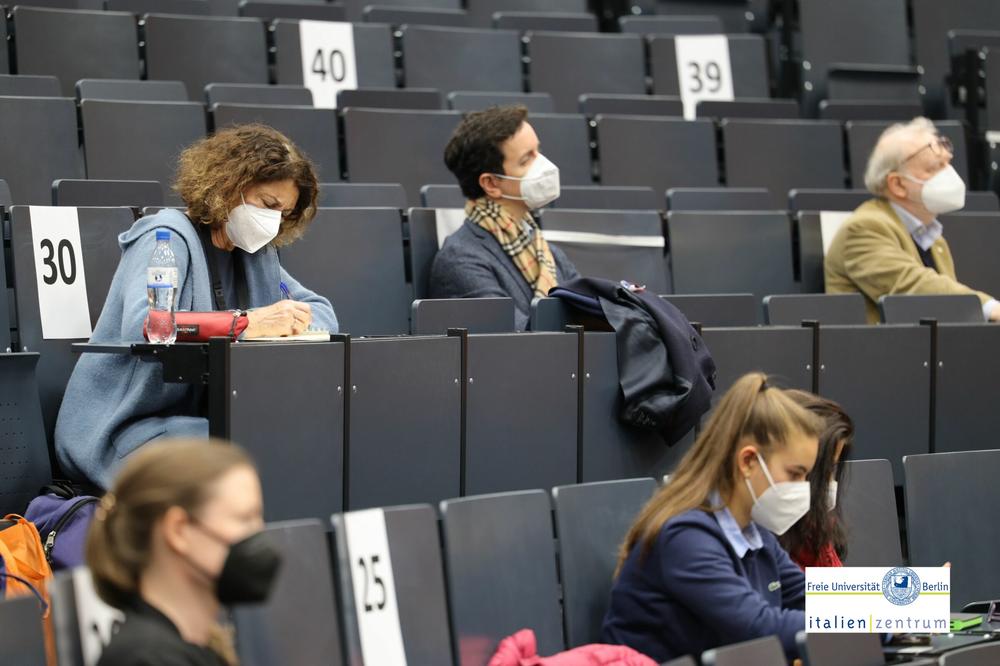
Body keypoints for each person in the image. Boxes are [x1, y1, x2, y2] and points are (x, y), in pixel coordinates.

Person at [55, 124, 338, 489]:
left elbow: (320, 311)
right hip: (117, 431)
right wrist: (245, 324)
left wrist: (290, 321)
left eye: (283, 214)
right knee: (251, 454)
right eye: (269, 205)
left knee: (293, 439)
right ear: (230, 185)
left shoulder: (254, 255)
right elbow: (148, 323)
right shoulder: (164, 237)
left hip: (197, 422)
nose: (273, 222)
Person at [602, 373, 823, 662]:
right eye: (795, 474)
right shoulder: (685, 538)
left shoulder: (754, 533)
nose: (802, 487)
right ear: (748, 461)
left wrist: (882, 604)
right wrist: (864, 622)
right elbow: (759, 628)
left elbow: (810, 594)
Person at [86, 439, 280, 666]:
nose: (259, 534)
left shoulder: (199, 648)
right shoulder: (146, 659)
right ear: (179, 531)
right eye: (244, 519)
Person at [825, 117, 1000, 324]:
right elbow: (913, 288)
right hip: (878, 344)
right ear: (898, 184)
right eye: (934, 167)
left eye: (947, 163)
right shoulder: (863, 228)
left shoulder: (933, 238)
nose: (948, 174)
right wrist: (990, 308)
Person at [430, 105, 580, 330]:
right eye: (526, 160)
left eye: (538, 151)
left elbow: (589, 316)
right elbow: (516, 341)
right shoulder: (462, 261)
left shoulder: (549, 253)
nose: (544, 166)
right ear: (491, 183)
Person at [780, 391, 854, 569]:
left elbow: (831, 584)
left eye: (833, 469)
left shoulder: (814, 528)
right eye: (824, 470)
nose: (830, 481)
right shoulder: (765, 542)